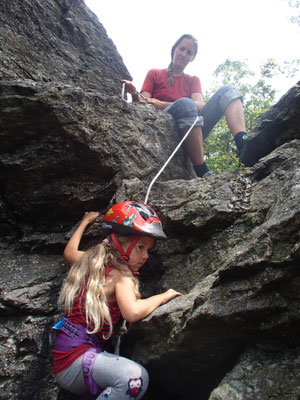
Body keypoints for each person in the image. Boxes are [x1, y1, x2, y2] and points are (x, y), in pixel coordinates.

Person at [50, 201, 181, 400]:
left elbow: (69, 252)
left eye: (148, 250)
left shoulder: (92, 262)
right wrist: (163, 296)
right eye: (141, 247)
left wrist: (84, 222)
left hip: (65, 353)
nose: (145, 256)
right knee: (134, 380)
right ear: (121, 243)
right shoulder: (122, 277)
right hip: (77, 358)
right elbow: (133, 312)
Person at [122, 34, 248, 178]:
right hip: (166, 125)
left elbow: (199, 105)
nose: (184, 54)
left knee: (228, 90)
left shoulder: (193, 80)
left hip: (192, 125)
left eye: (189, 52)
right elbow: (142, 104)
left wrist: (161, 104)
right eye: (182, 49)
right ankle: (202, 170)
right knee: (186, 104)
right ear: (174, 49)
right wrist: (133, 93)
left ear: (192, 58)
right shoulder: (155, 74)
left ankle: (243, 143)